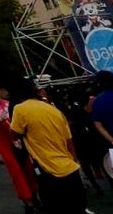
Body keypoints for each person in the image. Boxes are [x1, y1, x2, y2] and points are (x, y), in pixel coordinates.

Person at [10, 77, 87, 214]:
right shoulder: (54, 110)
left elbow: (14, 134)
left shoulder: (20, 109)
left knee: (54, 207)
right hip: (70, 167)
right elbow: (69, 140)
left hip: (47, 169)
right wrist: (74, 160)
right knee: (76, 207)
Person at [0, 81, 37, 213]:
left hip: (17, 140)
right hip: (3, 143)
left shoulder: (8, 103)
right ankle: (27, 201)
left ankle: (34, 196)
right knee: (15, 172)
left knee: (28, 168)